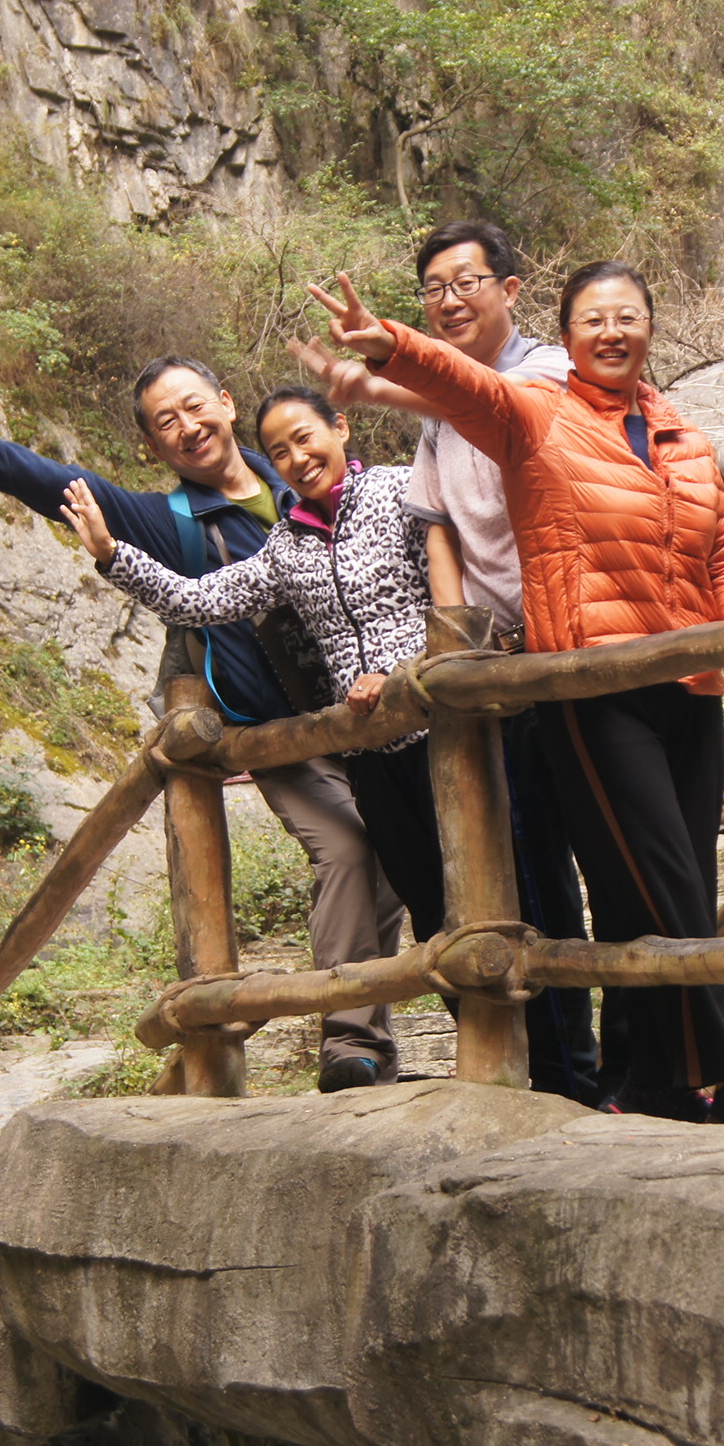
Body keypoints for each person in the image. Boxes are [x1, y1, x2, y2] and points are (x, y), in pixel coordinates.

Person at [305, 263, 724, 1131]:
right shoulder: (534, 414)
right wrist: (392, 345)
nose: (613, 332)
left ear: (651, 327)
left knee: (642, 895)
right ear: (564, 337)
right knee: (669, 887)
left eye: (629, 317)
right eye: (593, 320)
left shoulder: (683, 433)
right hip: (592, 688)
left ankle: (642, 1078)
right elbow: (462, 385)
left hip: (689, 686)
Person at [0, 365, 410, 1090]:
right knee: (345, 849)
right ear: (155, 446)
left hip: (364, 715)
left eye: (195, 406)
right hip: (280, 736)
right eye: (166, 421)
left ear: (225, 405)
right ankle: (350, 1042)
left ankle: (376, 1028)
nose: (188, 426)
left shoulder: (300, 479)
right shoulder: (170, 522)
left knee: (397, 852)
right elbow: (57, 482)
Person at [289, 221, 597, 1103]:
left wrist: (392, 368)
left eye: (466, 282)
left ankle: (590, 1072)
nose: (451, 299)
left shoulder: (549, 372)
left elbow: (493, 407)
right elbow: (441, 531)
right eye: (434, 289)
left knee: (566, 876)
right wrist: (454, 639)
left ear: (510, 285)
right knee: (512, 871)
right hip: (491, 674)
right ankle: (532, 1071)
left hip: (565, 652)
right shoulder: (432, 429)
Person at [59, 389, 449, 1048]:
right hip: (371, 755)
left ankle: (555, 1063)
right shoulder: (286, 546)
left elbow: (450, 592)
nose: (297, 458)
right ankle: (450, 1050)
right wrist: (109, 554)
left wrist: (409, 671)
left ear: (340, 428)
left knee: (491, 886)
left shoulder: (399, 492)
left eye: (306, 438)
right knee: (434, 910)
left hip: (443, 733)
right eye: (279, 451)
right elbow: (197, 598)